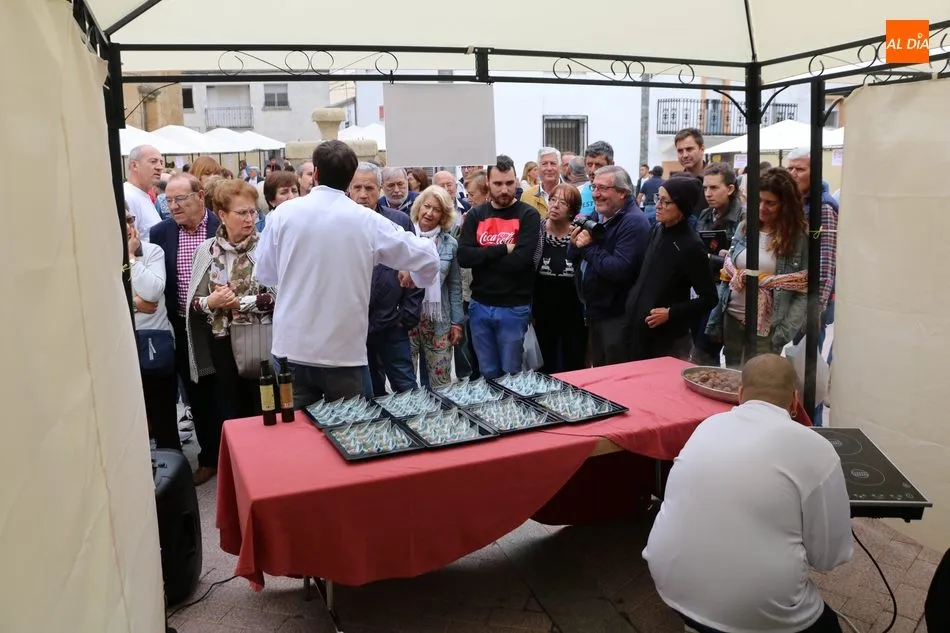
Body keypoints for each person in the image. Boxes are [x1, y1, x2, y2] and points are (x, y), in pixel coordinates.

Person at [643, 354, 852, 633]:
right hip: (757, 611)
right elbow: (828, 558)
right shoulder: (817, 449)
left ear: (740, 394)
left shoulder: (707, 426)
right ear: (794, 401)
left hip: (669, 585)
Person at [254, 140, 440, 406]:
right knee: (350, 427)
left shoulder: (283, 214)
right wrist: (416, 273)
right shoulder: (366, 220)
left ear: (315, 173)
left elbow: (266, 274)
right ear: (350, 179)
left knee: (297, 429)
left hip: (293, 347)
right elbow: (427, 255)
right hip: (341, 351)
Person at [186, 180, 274, 484]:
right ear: (222, 215)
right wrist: (211, 302)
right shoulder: (206, 251)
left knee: (263, 407)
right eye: (241, 213)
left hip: (261, 340)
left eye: (252, 212)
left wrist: (241, 303)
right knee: (230, 410)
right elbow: (192, 303)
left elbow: (282, 296)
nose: (250, 219)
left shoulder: (267, 247)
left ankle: (268, 471)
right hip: (221, 343)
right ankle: (241, 474)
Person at [706, 168, 809, 367]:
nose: (762, 208)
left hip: (768, 329)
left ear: (786, 205)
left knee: (758, 378)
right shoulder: (744, 227)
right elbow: (728, 275)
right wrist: (717, 317)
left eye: (770, 203)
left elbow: (802, 288)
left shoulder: (798, 238)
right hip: (732, 319)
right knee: (731, 378)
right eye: (759, 200)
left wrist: (784, 332)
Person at [457, 155, 542, 378]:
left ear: (516, 181)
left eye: (509, 183)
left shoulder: (528, 215)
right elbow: (464, 257)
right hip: (480, 305)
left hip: (514, 307)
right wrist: (503, 249)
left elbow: (520, 261)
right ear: (488, 182)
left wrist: (482, 256)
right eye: (498, 183)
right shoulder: (476, 215)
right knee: (487, 372)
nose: (504, 189)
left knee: (511, 373)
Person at [623, 177, 717, 361]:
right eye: (658, 198)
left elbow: (709, 298)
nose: (658, 205)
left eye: (666, 202)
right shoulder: (657, 229)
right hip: (638, 330)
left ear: (682, 207)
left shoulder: (691, 245)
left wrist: (670, 313)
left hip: (667, 340)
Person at [568, 165, 650, 367]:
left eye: (603, 188)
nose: (596, 194)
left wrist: (588, 247)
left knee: (615, 374)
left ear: (622, 192)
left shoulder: (634, 222)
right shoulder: (600, 214)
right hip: (596, 310)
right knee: (599, 369)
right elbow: (573, 256)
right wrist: (575, 243)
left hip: (618, 315)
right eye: (594, 187)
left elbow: (618, 269)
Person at [407, 186, 464, 388]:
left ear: (443, 215)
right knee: (406, 382)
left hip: (438, 319)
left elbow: (455, 286)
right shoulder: (404, 237)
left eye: (436, 210)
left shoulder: (450, 244)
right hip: (408, 317)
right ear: (419, 207)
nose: (429, 213)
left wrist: (457, 323)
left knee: (441, 384)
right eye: (427, 206)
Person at [533, 184, 588, 373]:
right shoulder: (537, 231)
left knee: (574, 362)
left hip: (573, 312)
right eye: (553, 200)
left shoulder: (579, 235)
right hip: (542, 311)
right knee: (543, 364)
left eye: (563, 203)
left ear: (572, 211)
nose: (555, 205)